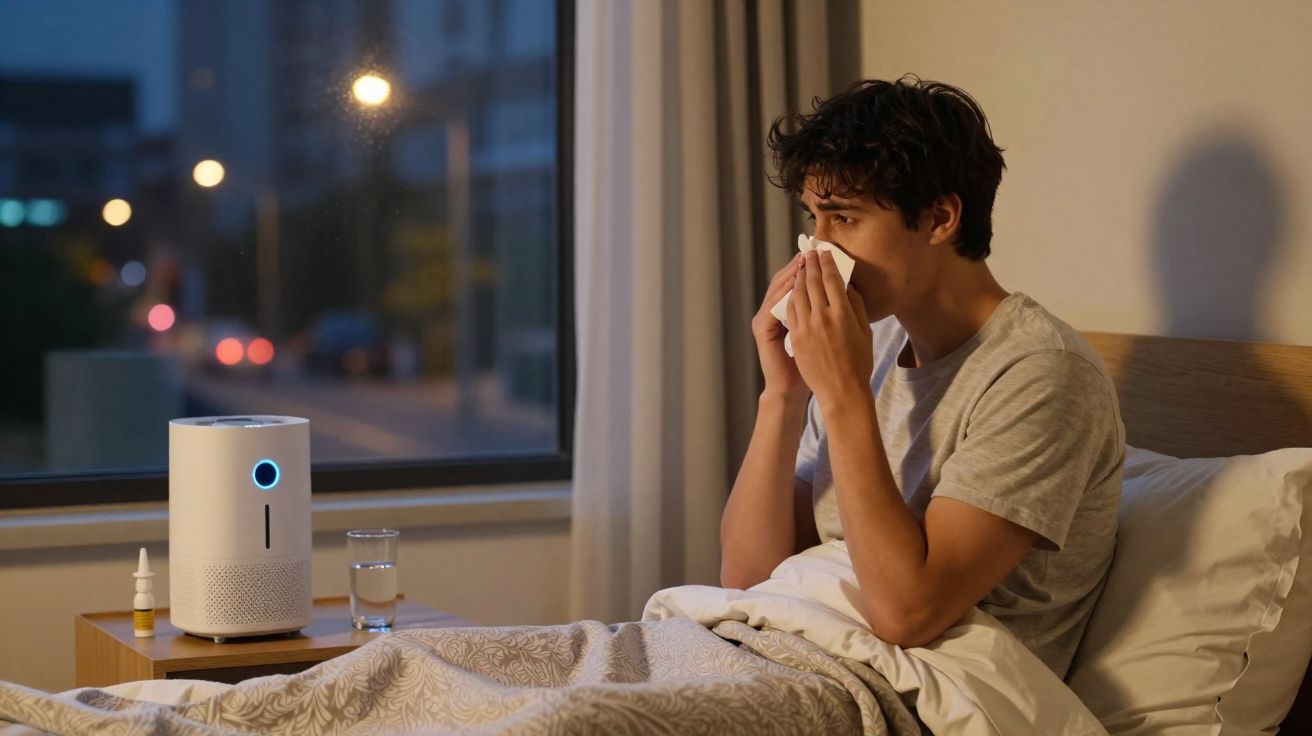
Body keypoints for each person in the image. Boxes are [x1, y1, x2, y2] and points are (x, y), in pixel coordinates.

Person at [719, 76, 1124, 678]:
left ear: (939, 218)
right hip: (802, 653)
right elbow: (747, 578)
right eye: (813, 218)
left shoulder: (1042, 375)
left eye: (844, 218)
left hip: (939, 693)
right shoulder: (875, 343)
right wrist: (783, 392)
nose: (813, 253)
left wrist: (844, 392)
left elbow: (908, 614)